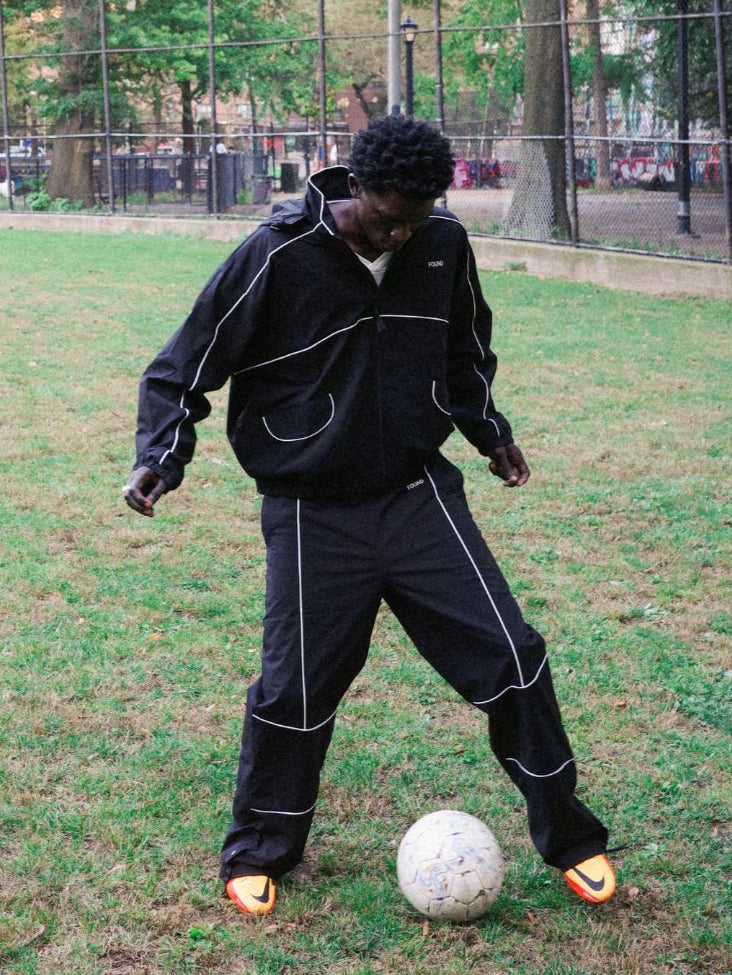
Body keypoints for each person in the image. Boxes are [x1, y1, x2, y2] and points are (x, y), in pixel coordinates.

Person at [123, 115, 616, 917]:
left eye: (417, 214)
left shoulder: (442, 243)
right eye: (389, 213)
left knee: (514, 655)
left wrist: (492, 435)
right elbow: (184, 365)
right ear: (355, 186)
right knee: (295, 691)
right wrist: (159, 458)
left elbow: (465, 351)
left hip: (418, 494)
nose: (401, 229)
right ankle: (261, 849)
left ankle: (573, 837)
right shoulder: (277, 255)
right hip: (312, 506)